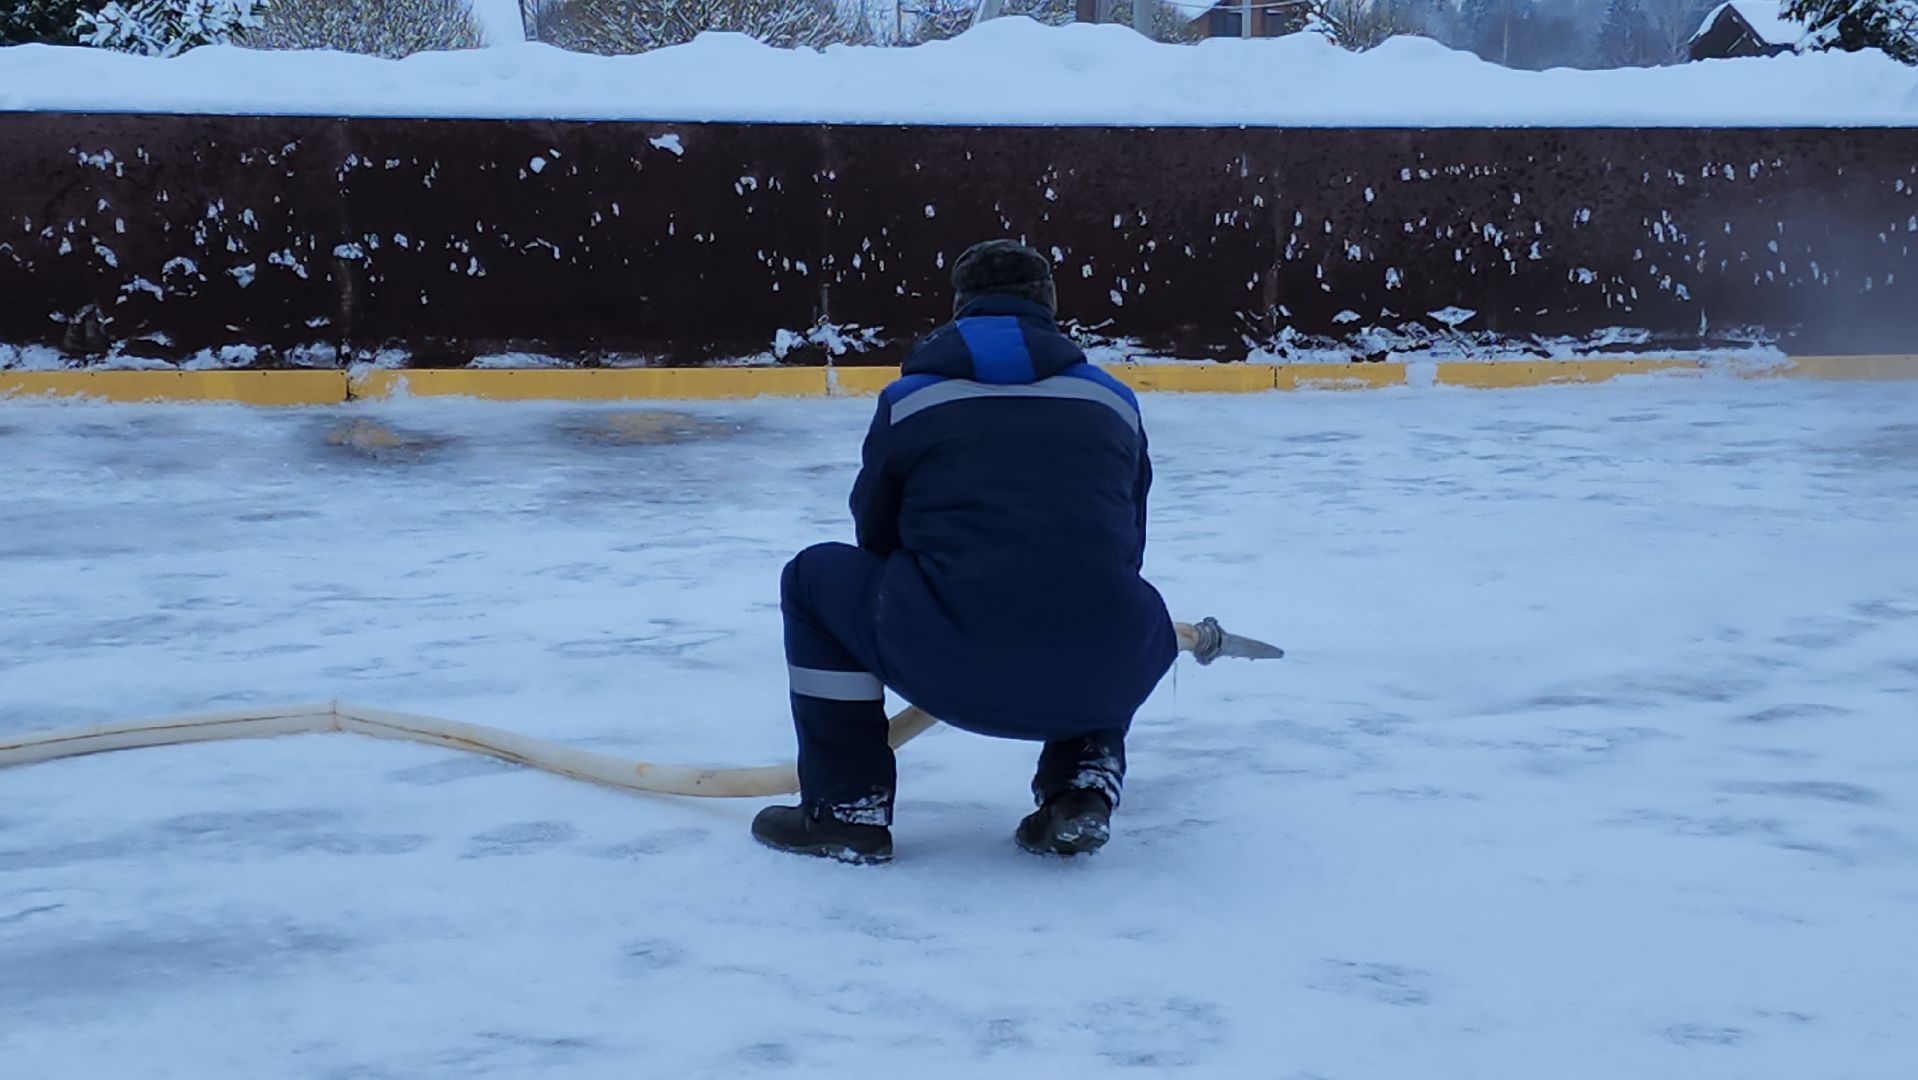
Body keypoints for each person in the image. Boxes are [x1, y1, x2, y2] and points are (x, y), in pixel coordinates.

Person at [751, 239, 1178, 864]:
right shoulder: (1113, 401)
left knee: (813, 576)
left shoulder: (912, 402)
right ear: (1051, 310)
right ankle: (1079, 787)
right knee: (1099, 586)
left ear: (959, 310)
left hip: (947, 660)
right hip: (1102, 673)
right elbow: (1128, 542)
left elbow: (876, 535)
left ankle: (845, 809)